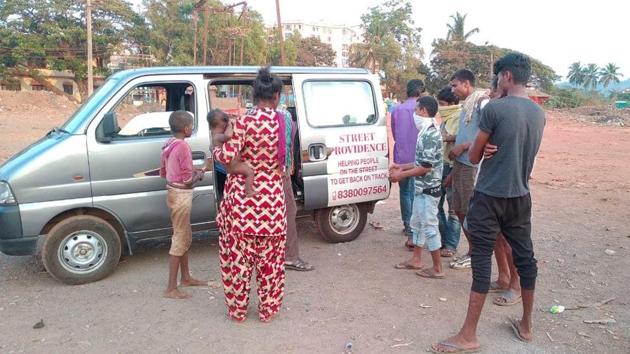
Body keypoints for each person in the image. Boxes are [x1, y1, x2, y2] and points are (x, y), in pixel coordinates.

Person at [431, 52, 545, 352]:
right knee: (525, 256)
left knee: (481, 259)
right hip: (520, 195)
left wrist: (484, 147)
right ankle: (527, 325)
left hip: (490, 194)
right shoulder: (538, 113)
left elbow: (473, 156)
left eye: (498, 77)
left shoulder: (495, 109)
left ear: (506, 76)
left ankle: (469, 335)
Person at [214, 66, 288, 322]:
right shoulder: (284, 123)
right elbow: (286, 164)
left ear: (254, 95)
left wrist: (217, 144)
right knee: (271, 263)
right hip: (273, 203)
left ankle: (238, 311)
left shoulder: (243, 122)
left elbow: (225, 158)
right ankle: (267, 311)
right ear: (276, 95)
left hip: (243, 204)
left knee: (238, 261)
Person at [390, 96, 444, 279]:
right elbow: (421, 162)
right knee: (418, 224)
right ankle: (416, 260)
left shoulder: (429, 134)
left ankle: (437, 268)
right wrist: (402, 166)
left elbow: (425, 167)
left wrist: (400, 174)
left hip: (428, 189)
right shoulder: (427, 131)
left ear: (422, 111)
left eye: (416, 110)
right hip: (423, 188)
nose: (414, 114)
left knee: (429, 226)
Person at [159, 110, 207, 299]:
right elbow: (187, 180)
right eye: (191, 125)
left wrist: (189, 173)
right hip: (181, 195)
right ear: (187, 128)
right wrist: (199, 175)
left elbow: (165, 172)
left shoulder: (169, 144)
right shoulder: (184, 147)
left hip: (172, 192)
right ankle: (171, 288)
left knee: (184, 235)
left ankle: (186, 278)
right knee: (180, 238)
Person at [446, 70, 489, 269]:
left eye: (455, 85)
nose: (452, 89)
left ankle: (476, 252)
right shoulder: (467, 105)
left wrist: (463, 147)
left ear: (465, 83)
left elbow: (488, 134)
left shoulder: (481, 103)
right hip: (461, 163)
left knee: (469, 210)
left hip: (472, 165)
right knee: (459, 208)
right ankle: (473, 250)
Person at [279, 105, 314, 272]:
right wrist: (288, 168)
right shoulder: (283, 115)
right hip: (279, 173)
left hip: (256, 177)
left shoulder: (247, 117)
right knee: (289, 211)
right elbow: (286, 147)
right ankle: (290, 257)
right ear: (276, 95)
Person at [391, 79, 424, 249]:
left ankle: (408, 226)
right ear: (421, 92)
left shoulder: (397, 109)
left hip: (402, 157)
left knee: (405, 193)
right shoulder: (423, 110)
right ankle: (417, 229)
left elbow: (395, 133)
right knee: (418, 193)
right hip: (419, 158)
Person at [436, 87, 462, 258]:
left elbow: (464, 138)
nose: (440, 107)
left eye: (442, 104)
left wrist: (449, 137)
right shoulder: (446, 119)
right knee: (436, 205)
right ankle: (443, 240)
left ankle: (451, 245)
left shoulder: (461, 117)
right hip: (442, 164)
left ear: (452, 104)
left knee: (453, 209)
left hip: (454, 166)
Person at [207, 109, 255, 197]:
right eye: (225, 121)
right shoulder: (217, 136)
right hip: (233, 166)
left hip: (231, 166)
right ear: (221, 124)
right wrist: (230, 125)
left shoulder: (214, 135)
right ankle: (248, 191)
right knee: (250, 172)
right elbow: (228, 136)